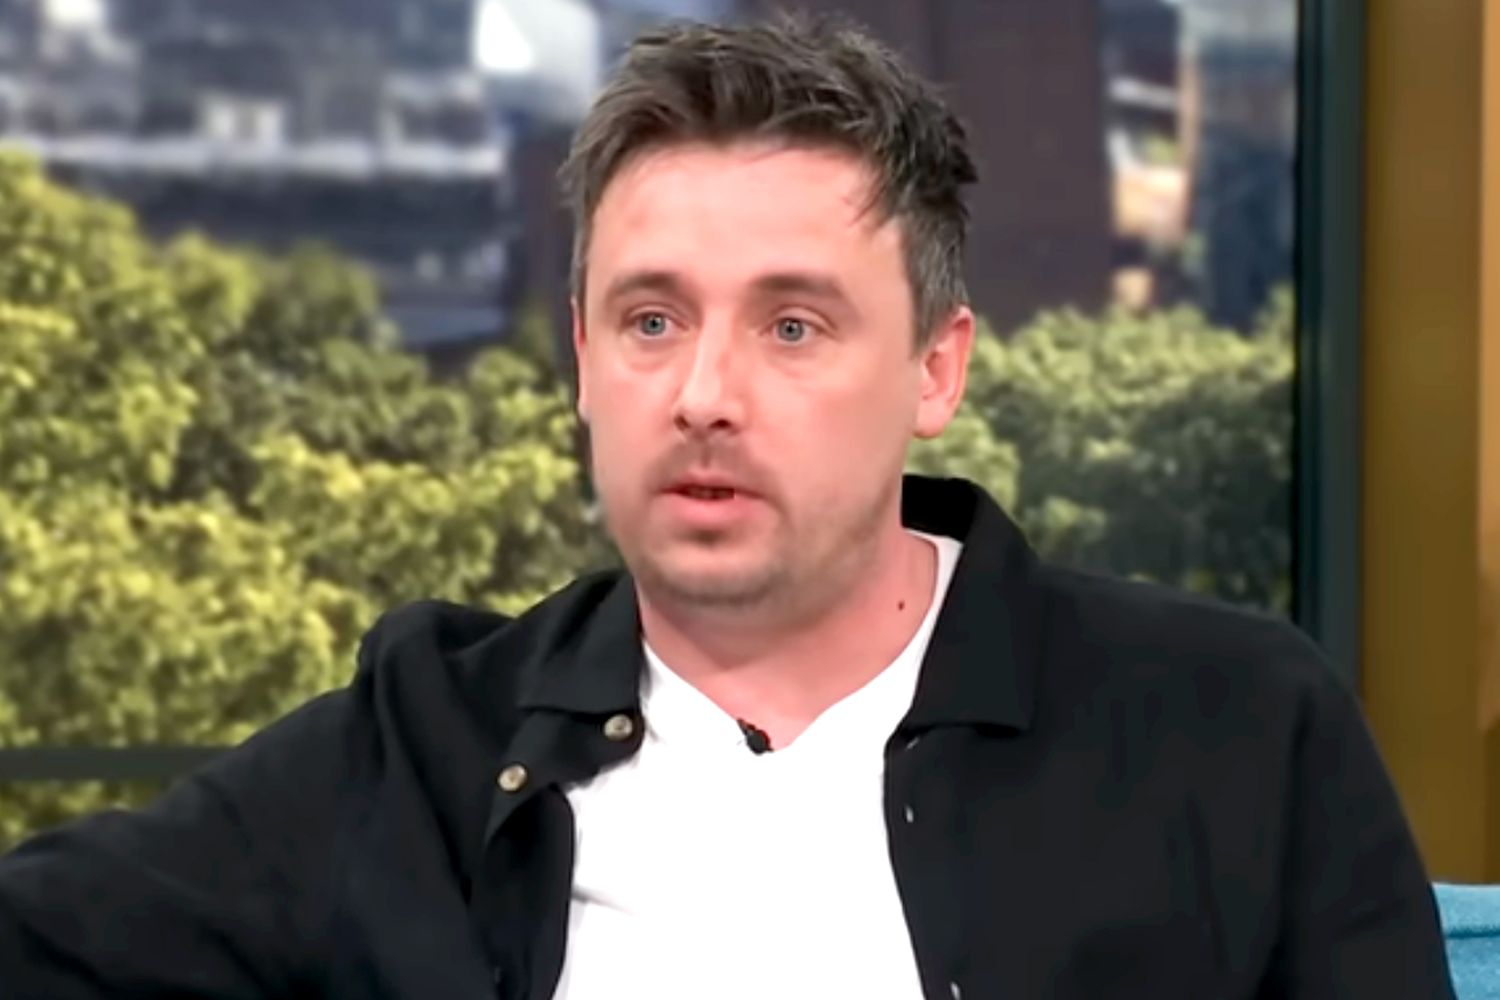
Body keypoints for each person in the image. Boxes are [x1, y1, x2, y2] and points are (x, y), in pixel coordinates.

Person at [0, 14, 1455, 1000]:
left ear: (936, 369)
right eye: (651, 321)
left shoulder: (1230, 727)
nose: (703, 393)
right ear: (584, 360)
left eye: (792, 326)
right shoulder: (427, 743)